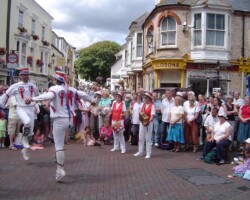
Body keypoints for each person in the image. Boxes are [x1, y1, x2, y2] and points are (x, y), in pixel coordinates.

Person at [28, 71, 94, 182]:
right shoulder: (71, 89)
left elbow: (47, 96)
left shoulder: (55, 89)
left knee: (58, 146)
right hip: (69, 120)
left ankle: (60, 169)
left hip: (59, 119)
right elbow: (84, 95)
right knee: (60, 144)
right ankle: (58, 157)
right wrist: (93, 101)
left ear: (55, 80)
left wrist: (32, 99)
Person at [0, 68, 39, 160]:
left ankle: (25, 150)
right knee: (27, 121)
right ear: (20, 76)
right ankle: (24, 142)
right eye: (24, 75)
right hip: (21, 108)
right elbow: (6, 95)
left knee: (30, 133)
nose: (26, 76)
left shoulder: (33, 86)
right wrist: (2, 104)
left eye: (27, 74)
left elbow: (37, 96)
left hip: (30, 109)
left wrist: (35, 103)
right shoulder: (15, 86)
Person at [134, 92, 155, 159]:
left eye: (145, 97)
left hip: (149, 124)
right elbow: (141, 113)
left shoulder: (152, 105)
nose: (144, 99)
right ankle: (140, 152)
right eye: (144, 97)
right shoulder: (143, 105)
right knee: (140, 138)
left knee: (148, 139)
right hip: (142, 123)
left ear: (149, 98)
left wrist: (148, 122)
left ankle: (148, 153)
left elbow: (152, 116)